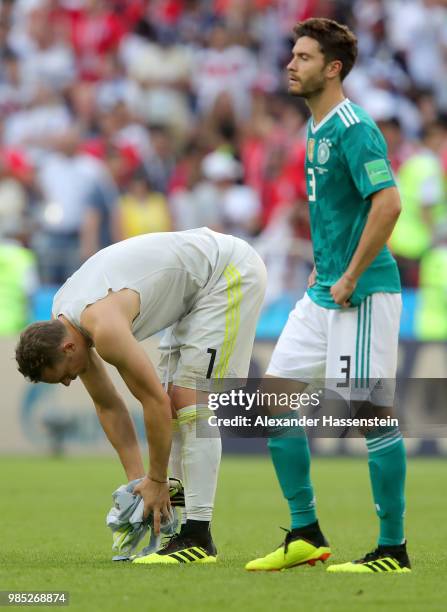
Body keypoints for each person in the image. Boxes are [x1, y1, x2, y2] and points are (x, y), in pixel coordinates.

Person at [245, 18, 409, 574]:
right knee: (272, 398)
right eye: (292, 55)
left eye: (304, 57)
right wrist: (329, 272)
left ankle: (393, 550)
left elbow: (388, 203)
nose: (291, 64)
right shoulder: (314, 129)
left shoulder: (353, 126)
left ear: (333, 68)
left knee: (370, 414)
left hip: (360, 294)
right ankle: (305, 532)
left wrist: (349, 275)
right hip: (324, 293)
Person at [16, 228, 267, 564]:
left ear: (68, 348)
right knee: (174, 404)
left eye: (63, 375)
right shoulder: (66, 319)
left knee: (187, 399)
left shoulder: (103, 328)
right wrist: (141, 483)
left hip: (227, 272)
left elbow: (153, 404)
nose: (67, 383)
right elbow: (108, 405)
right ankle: (179, 527)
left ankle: (198, 537)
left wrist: (158, 478)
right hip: (194, 293)